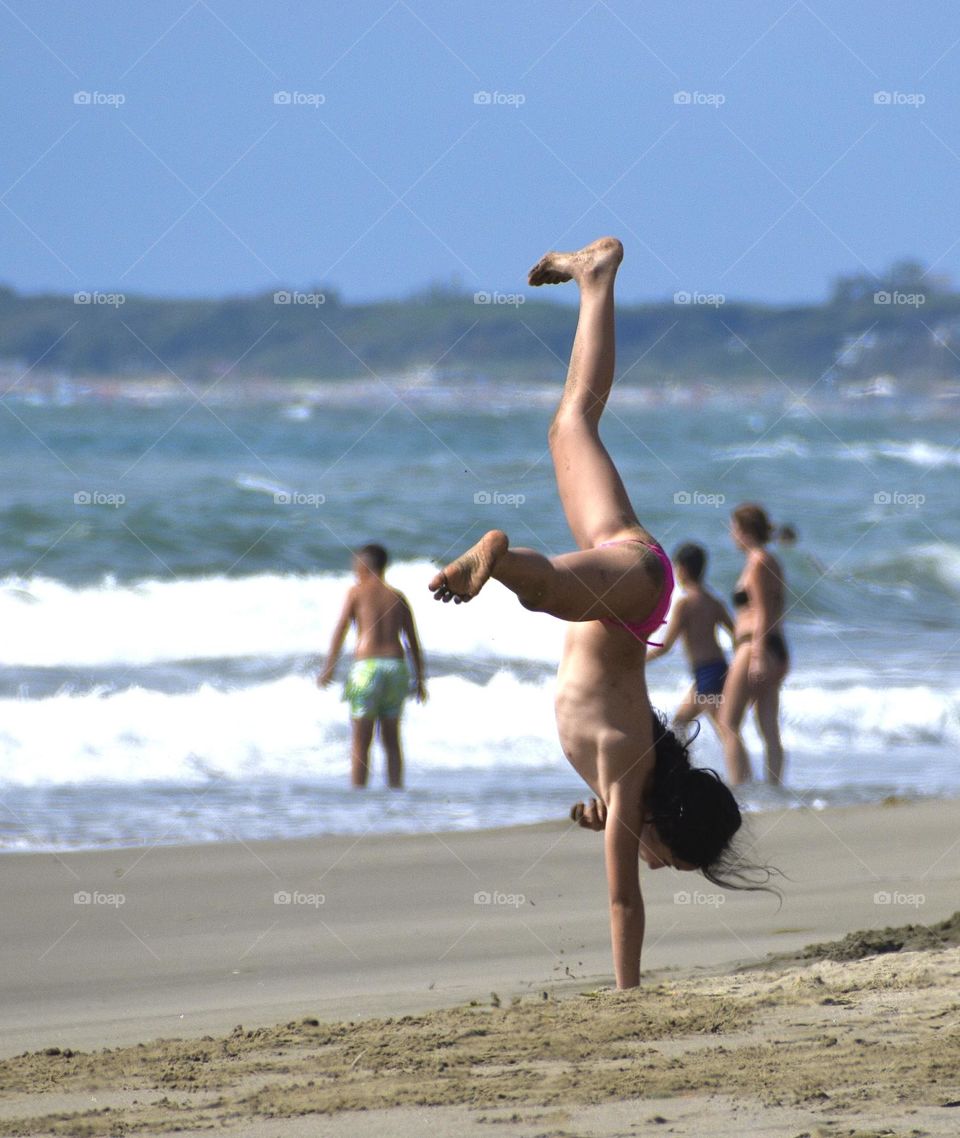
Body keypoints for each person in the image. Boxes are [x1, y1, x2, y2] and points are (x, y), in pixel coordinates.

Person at [429, 237, 770, 989]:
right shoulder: (625, 778)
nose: (658, 867)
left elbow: (622, 836)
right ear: (664, 832)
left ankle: (595, 279)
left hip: (630, 576)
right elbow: (623, 900)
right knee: (546, 589)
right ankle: (498, 557)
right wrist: (628, 991)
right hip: (631, 591)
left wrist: (602, 819)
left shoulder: (625, 781)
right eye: (670, 859)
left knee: (571, 422)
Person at [318, 544, 427, 789]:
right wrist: (420, 680)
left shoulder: (356, 592)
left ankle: (358, 800)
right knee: (392, 740)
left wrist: (329, 668)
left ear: (364, 566)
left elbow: (341, 630)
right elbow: (413, 642)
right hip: (396, 668)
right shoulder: (398, 596)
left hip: (366, 668)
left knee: (360, 742)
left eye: (356, 566)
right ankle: (396, 794)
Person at [720, 504, 788, 786]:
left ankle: (741, 789)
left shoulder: (758, 562)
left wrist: (757, 654)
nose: (732, 535)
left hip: (755, 646)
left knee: (728, 722)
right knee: (768, 727)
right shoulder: (768, 559)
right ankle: (774, 790)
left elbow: (762, 612)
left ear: (744, 530)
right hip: (776, 647)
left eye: (734, 528)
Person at [647, 543, 735, 736]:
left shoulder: (685, 603)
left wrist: (637, 661)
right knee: (679, 724)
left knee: (725, 732)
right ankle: (683, 766)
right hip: (717, 670)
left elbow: (665, 646)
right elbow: (737, 635)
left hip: (707, 675)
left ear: (683, 569)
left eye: (675, 567)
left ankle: (740, 767)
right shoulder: (714, 601)